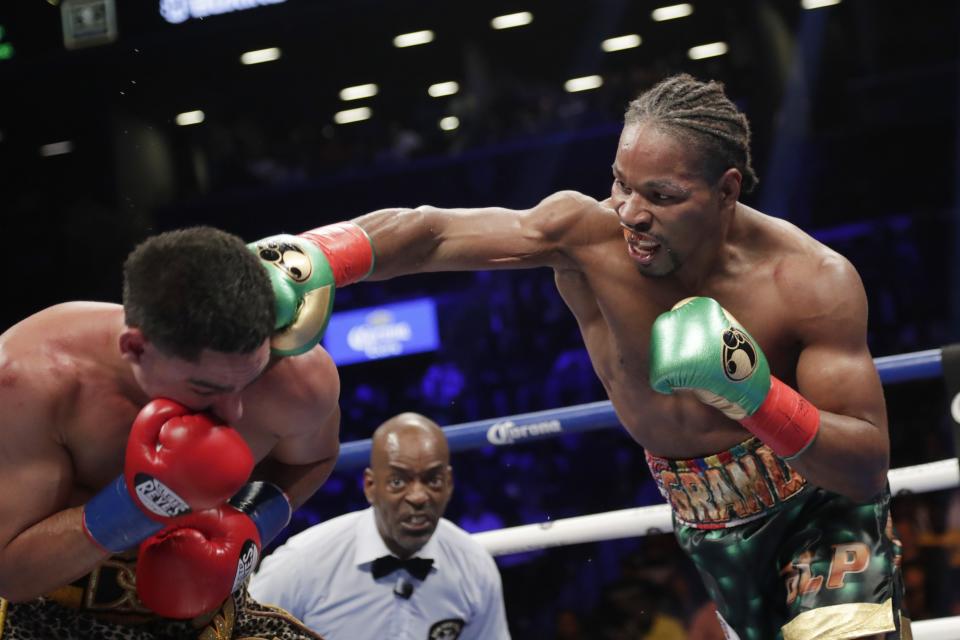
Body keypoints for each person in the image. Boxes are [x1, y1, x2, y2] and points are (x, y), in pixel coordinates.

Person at [273, 74, 909, 638]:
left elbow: (864, 468)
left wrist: (755, 392)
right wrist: (315, 256)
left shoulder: (810, 282)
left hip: (818, 508)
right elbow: (432, 232)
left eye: (659, 196)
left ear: (726, 190)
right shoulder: (586, 236)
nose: (630, 212)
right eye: (620, 183)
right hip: (708, 524)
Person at [0, 226, 346, 638]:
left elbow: (314, 456)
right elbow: (11, 575)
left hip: (214, 615)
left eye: (247, 379)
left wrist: (252, 522)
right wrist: (140, 503)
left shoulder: (296, 381)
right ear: (136, 349)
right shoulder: (31, 381)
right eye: (207, 388)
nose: (234, 410)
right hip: (54, 614)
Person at [250, 412, 511, 640]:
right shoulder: (303, 563)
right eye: (398, 482)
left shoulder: (473, 567)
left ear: (449, 483)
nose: (419, 497)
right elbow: (244, 633)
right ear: (371, 487)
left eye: (433, 480)